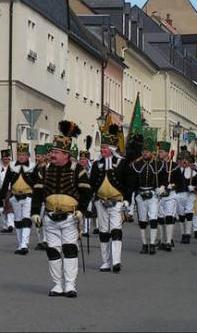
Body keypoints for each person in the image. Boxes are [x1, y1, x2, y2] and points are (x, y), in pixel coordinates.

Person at [31, 121, 91, 298]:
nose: (53, 155)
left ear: (66, 154)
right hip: (50, 217)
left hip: (70, 218)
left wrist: (81, 210)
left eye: (56, 152)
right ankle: (57, 284)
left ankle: (70, 284)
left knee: (70, 249)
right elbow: (37, 191)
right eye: (52, 152)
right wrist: (35, 212)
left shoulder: (77, 169)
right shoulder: (45, 169)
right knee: (52, 251)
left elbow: (86, 192)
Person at [90, 124, 132, 273]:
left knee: (115, 230)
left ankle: (116, 261)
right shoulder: (96, 165)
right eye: (102, 148)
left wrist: (127, 200)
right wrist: (91, 201)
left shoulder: (122, 164)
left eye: (105, 148)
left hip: (116, 202)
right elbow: (92, 184)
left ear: (112, 149)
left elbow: (128, 184)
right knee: (103, 232)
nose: (102, 150)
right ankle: (105, 261)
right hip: (101, 201)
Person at [0, 142, 37, 255]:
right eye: (19, 154)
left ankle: (24, 244)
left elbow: (37, 183)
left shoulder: (32, 166)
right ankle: (20, 243)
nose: (21, 156)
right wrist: (1, 198)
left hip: (28, 196)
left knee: (26, 219)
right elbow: (6, 182)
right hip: (15, 197)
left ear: (27, 155)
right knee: (18, 220)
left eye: (24, 154)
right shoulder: (12, 166)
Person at [129, 136, 162, 255]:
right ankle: (144, 244)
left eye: (147, 152)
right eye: (143, 152)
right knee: (142, 221)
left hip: (153, 195)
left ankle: (152, 244)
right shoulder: (136, 165)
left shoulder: (158, 165)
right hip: (140, 195)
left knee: (153, 219)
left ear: (151, 152)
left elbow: (163, 180)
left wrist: (161, 187)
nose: (145, 154)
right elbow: (132, 182)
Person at [174, 151, 197, 244]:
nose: (184, 162)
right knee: (181, 215)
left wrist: (194, 187)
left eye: (186, 160)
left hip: (189, 195)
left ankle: (187, 234)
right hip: (179, 195)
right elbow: (172, 182)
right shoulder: (176, 171)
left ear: (189, 161)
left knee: (189, 213)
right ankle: (183, 234)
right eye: (182, 160)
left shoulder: (193, 172)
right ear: (179, 161)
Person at [0, 148, 15, 234]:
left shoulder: (13, 168)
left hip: (10, 190)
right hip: (0, 190)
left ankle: (10, 224)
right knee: (2, 208)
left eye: (7, 159)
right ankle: (5, 225)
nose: (5, 161)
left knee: (9, 207)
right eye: (4, 159)